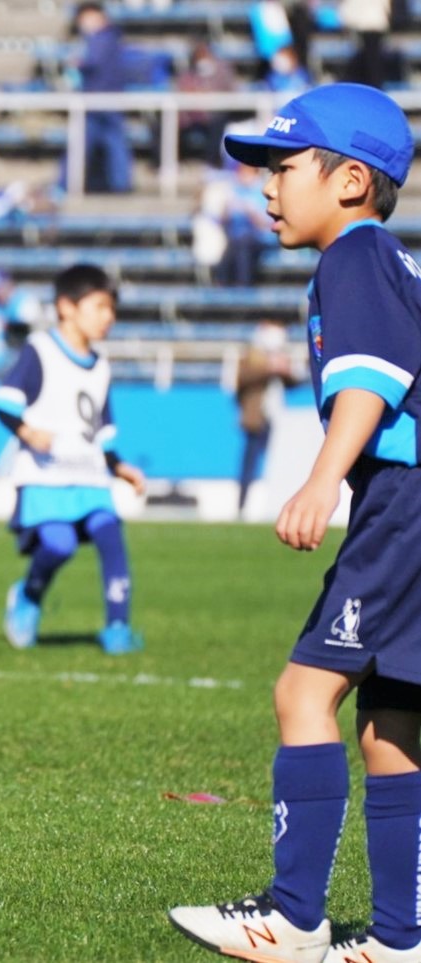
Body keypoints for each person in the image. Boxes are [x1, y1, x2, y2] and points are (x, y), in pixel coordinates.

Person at [168, 83, 421, 963]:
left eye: (281, 167)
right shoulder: (388, 260)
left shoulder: (352, 258)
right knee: (391, 722)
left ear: (350, 179)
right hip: (408, 505)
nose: (264, 187)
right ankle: (398, 937)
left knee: (302, 692)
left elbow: (372, 378)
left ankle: (293, 918)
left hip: (402, 505)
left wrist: (320, 479)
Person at [0, 264, 146, 655]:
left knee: (110, 534)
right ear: (66, 307)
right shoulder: (40, 350)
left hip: (91, 476)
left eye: (112, 309)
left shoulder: (102, 366)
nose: (108, 317)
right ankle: (28, 595)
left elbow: (104, 427)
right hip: (46, 476)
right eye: (100, 307)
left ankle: (117, 629)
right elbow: (4, 401)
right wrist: (28, 432)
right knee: (58, 545)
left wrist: (119, 466)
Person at [60, 2, 134, 195]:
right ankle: (120, 185)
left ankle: (66, 184)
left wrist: (77, 64)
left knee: (100, 143)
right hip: (101, 99)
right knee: (109, 143)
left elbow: (93, 63)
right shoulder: (107, 38)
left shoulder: (102, 38)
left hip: (100, 100)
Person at [236, 319, 302, 515]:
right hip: (256, 417)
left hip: (278, 417)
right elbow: (242, 378)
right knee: (249, 462)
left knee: (278, 462)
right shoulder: (252, 354)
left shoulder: (282, 356)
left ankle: (279, 504)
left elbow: (293, 382)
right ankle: (241, 506)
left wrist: (285, 370)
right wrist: (268, 367)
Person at [0, 268, 42, 376]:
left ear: (9, 284)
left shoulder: (25, 301)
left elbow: (32, 331)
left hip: (22, 361)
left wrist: (9, 327)